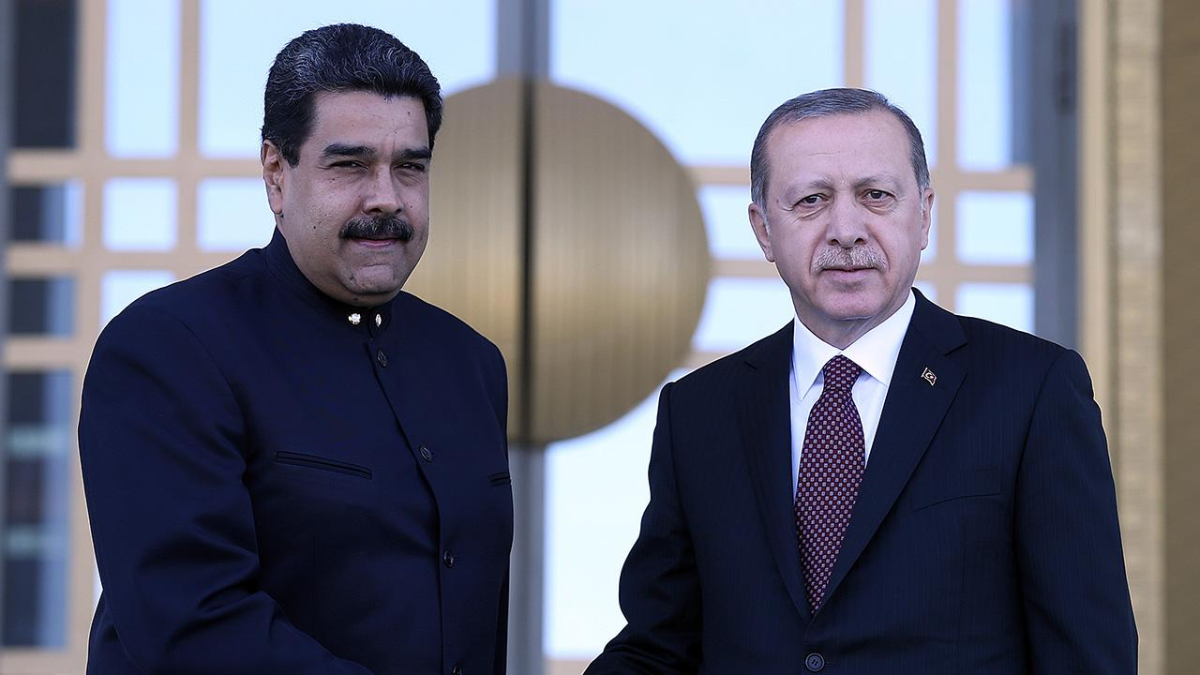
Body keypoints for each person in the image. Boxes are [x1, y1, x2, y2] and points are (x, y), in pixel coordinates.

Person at [586, 88, 1137, 673]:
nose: (846, 230)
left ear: (924, 215)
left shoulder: (1031, 389)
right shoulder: (699, 412)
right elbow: (659, 648)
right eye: (811, 200)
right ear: (763, 229)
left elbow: (1087, 655)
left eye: (876, 196)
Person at [79, 24, 511, 675]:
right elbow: (192, 626)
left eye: (410, 167)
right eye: (350, 165)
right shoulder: (168, 347)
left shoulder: (471, 364)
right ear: (276, 174)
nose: (387, 198)